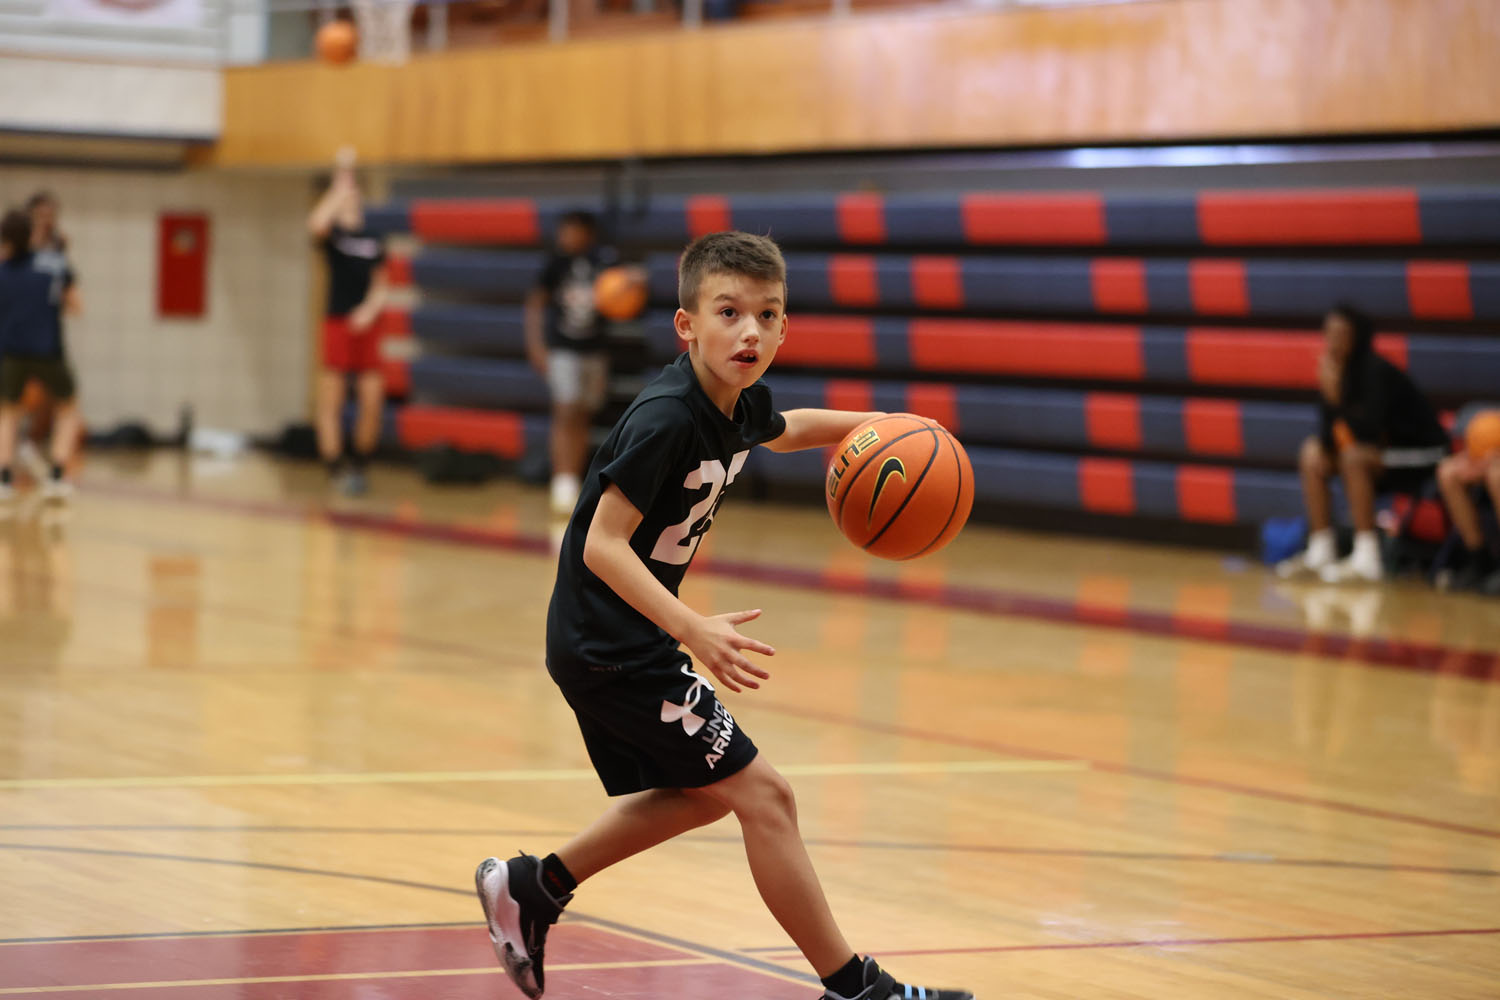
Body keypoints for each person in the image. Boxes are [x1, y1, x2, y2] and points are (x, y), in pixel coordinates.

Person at [475, 231, 974, 1000]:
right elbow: (602, 546)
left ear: (782, 328)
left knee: (710, 794)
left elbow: (792, 427)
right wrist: (692, 627)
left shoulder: (731, 405)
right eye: (729, 311)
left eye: (765, 314)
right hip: (610, 642)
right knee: (764, 796)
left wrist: (884, 427)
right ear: (687, 326)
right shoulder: (669, 418)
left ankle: (535, 887)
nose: (748, 331)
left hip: (622, 638)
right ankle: (856, 989)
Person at [1276, 304, 1450, 584]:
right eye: (1329, 333)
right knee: (1312, 452)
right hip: (1381, 455)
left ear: (1357, 336)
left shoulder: (1375, 371)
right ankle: (1321, 548)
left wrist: (1335, 400)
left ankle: (1368, 557)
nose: (1333, 341)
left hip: (1420, 453)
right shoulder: (1335, 371)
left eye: (1341, 334)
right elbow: (1328, 435)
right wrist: (1329, 402)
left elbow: (1368, 433)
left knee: (1353, 457)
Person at [307, 147, 388, 497]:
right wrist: (336, 190)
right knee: (332, 401)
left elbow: (383, 285)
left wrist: (370, 309)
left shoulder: (374, 239)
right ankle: (335, 467)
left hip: (367, 326)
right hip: (337, 323)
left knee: (372, 399)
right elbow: (316, 224)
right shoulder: (333, 238)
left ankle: (360, 463)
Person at [525, 210, 616, 514]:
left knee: (583, 412)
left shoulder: (604, 263)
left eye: (573, 231)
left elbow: (626, 292)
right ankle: (562, 481)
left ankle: (575, 478)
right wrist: (537, 346)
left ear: (587, 233)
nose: (566, 237)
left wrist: (631, 283)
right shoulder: (554, 263)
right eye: (564, 231)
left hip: (595, 350)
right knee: (565, 409)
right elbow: (535, 305)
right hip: (562, 349)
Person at [0, 208, 81, 503]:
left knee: (7, 413)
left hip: (10, 352)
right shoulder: (54, 264)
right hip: (48, 350)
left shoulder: (3, 269)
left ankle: (3, 477)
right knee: (68, 406)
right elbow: (76, 306)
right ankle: (58, 474)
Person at [1435, 416, 1500, 594]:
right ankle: (1480, 561)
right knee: (1449, 471)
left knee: (1497, 473)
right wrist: (1477, 457)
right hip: (1491, 452)